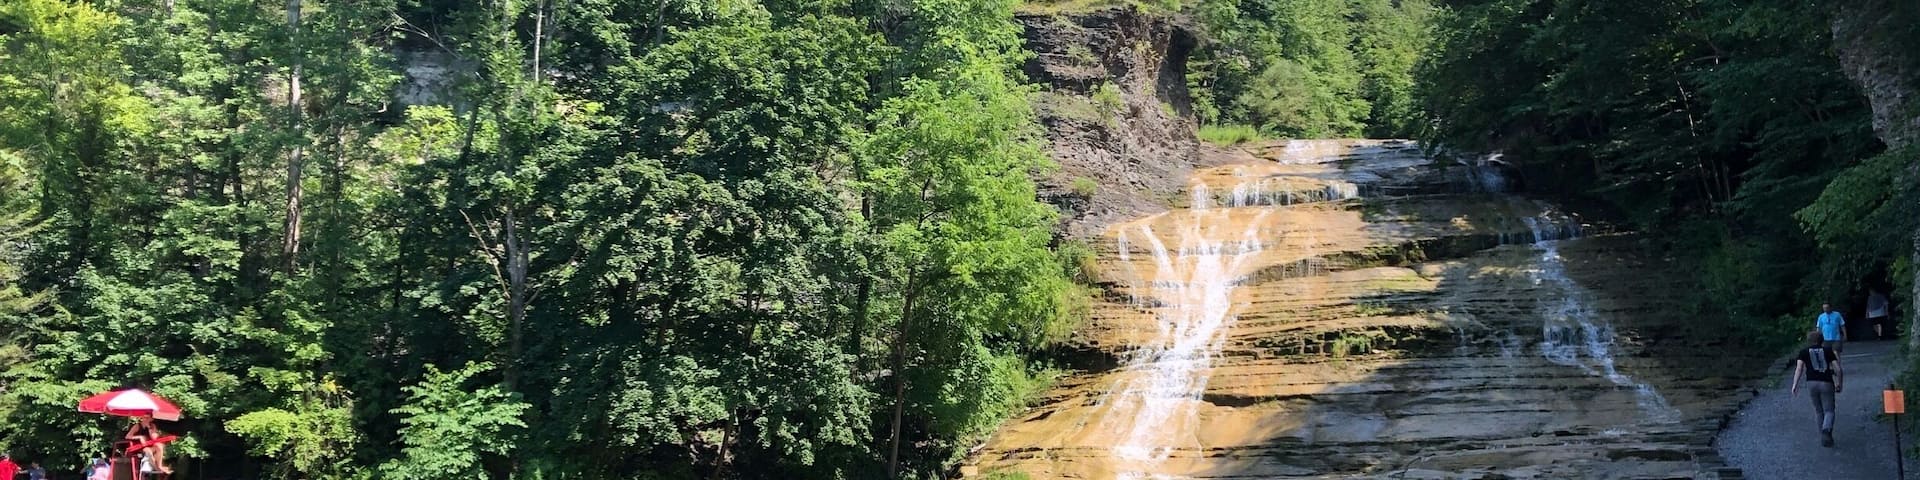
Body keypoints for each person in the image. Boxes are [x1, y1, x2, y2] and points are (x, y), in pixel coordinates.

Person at [1791, 330, 1846, 447]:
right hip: (1826, 382)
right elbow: (1838, 369)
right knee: (1829, 410)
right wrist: (1839, 383)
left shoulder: (1803, 352)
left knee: (1818, 410)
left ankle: (1822, 435)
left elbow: (1799, 368)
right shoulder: (1828, 351)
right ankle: (1826, 430)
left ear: (1809, 341)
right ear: (1822, 340)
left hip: (1811, 383)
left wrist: (1795, 384)